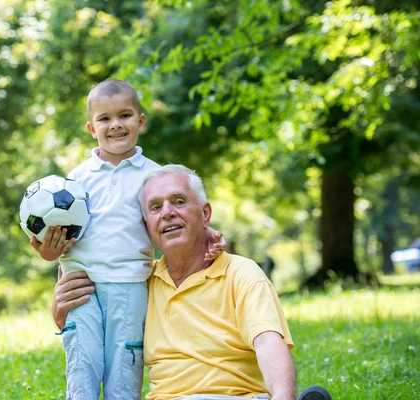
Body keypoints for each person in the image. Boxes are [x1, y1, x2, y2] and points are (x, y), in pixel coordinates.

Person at [52, 164, 332, 400]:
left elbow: (269, 344)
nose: (167, 213)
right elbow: (103, 337)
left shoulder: (240, 273)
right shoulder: (140, 284)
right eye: (155, 207)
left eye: (179, 201)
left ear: (205, 214)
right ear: (146, 227)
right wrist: (62, 313)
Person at [29, 80, 225, 400]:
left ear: (141, 121)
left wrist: (209, 235)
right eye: (105, 119)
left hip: (130, 286)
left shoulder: (154, 177)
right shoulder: (74, 180)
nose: (116, 125)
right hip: (82, 285)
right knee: (82, 367)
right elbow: (57, 242)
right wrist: (49, 254)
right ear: (92, 128)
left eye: (125, 115)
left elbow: (178, 219)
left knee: (124, 370)